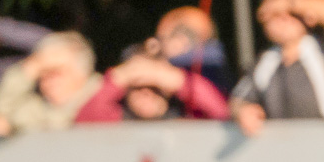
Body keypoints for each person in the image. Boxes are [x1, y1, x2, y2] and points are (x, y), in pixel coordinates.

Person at [231, 0, 324, 136]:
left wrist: (289, 1)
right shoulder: (265, 62)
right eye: (275, 15)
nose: (284, 18)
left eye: (292, 14)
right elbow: (239, 99)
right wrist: (243, 112)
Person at [76, 49, 231, 123]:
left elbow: (222, 112)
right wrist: (122, 76)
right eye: (137, 85)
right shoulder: (115, 119)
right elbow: (85, 118)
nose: (146, 92)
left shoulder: (186, 117)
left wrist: (177, 79)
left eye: (155, 87)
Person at [0, 32, 101, 135]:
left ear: (82, 71)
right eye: (43, 74)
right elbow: (1, 115)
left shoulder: (102, 93)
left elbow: (61, 122)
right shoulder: (38, 107)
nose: (49, 81)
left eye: (56, 72)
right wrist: (27, 71)